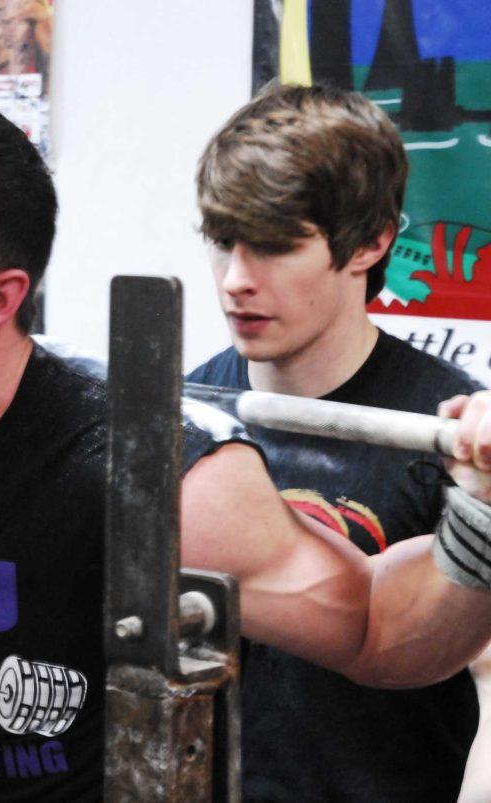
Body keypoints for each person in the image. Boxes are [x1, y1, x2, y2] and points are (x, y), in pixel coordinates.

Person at [0, 95, 491, 801]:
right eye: (224, 242)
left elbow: (388, 633)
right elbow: (43, 646)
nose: (236, 281)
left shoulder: (168, 460)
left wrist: (482, 509)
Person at [187, 83, 485, 802]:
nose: (236, 281)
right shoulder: (188, 415)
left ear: (373, 241)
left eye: (275, 246)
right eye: (224, 242)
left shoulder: (450, 435)